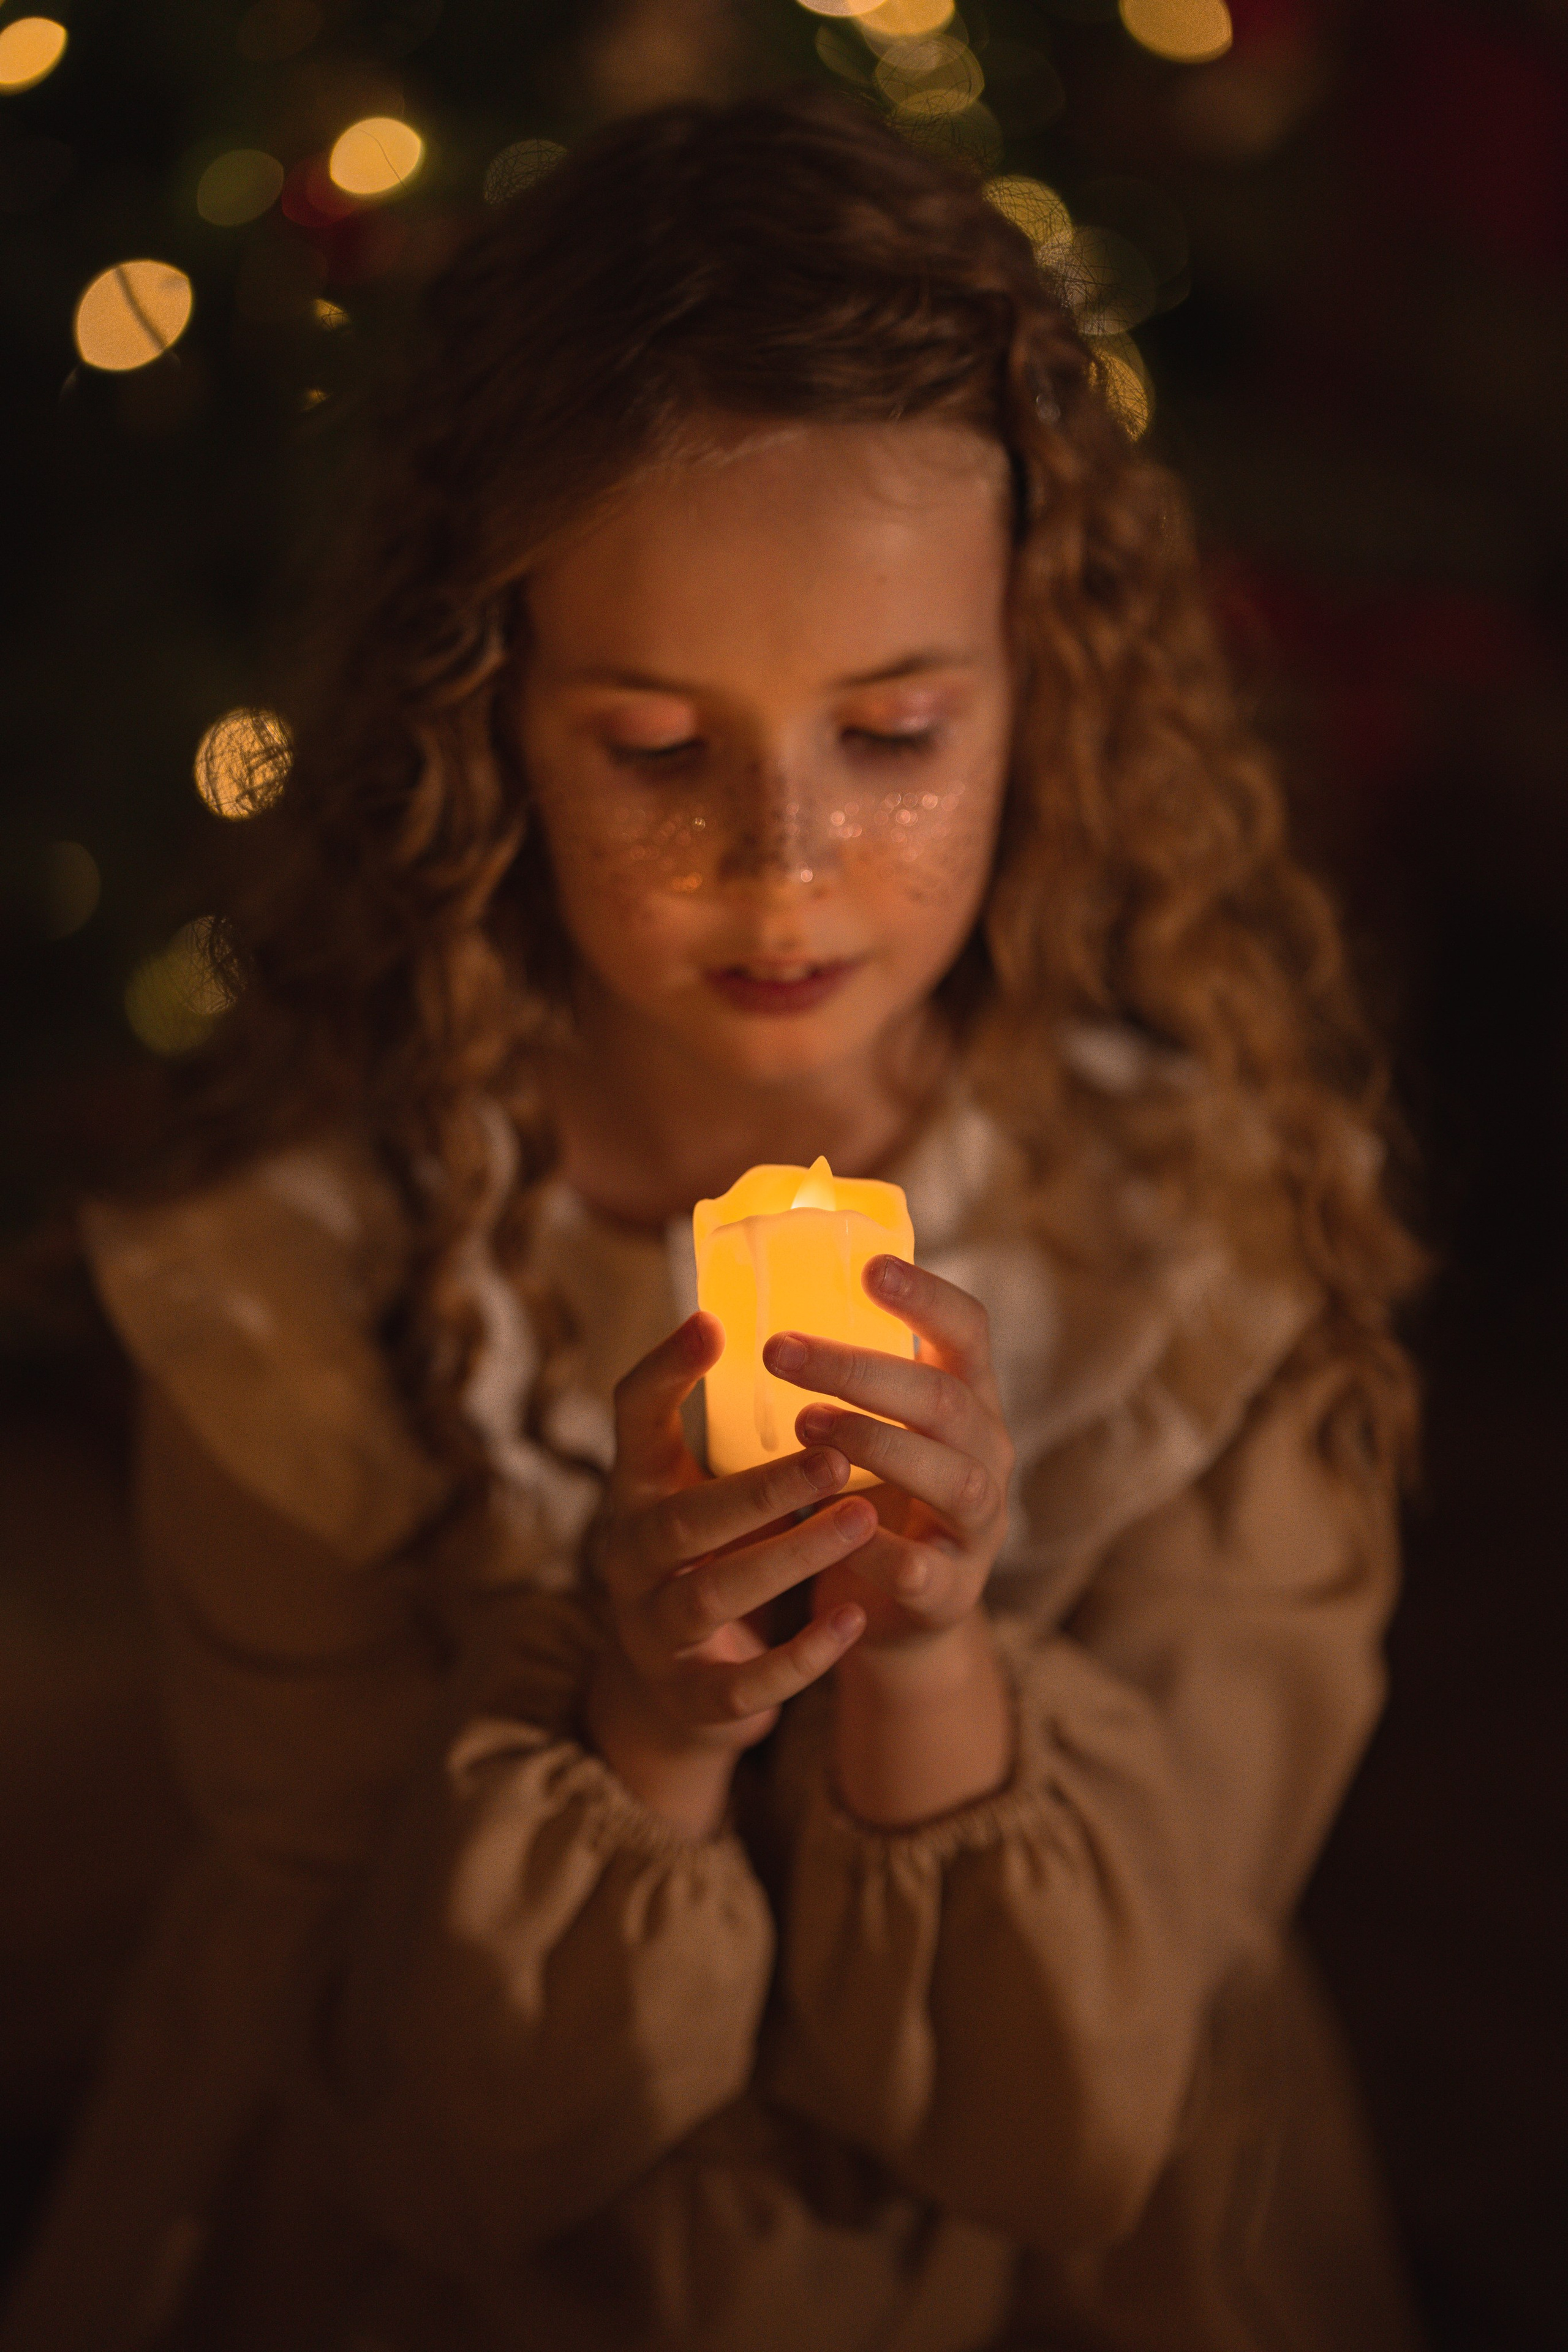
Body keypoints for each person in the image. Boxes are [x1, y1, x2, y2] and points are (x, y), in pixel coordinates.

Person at [4, 89, 1428, 2352]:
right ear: (486, 720)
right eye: (660, 747)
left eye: (893, 733)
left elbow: (1080, 2129)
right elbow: (429, 2125)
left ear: (1040, 688)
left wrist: (939, 1668)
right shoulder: (306, 1313)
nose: (783, 865)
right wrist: (644, 1733)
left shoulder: (1200, 1265)